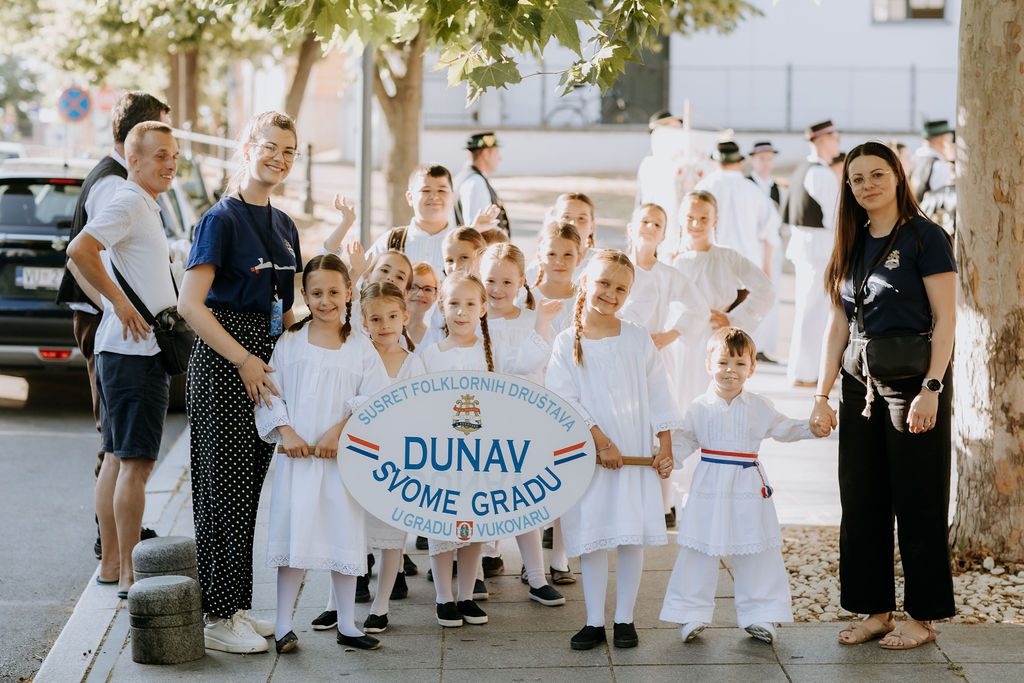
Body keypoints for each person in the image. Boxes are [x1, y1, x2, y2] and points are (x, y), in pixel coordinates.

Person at [810, 141, 956, 650]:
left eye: (877, 174)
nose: (867, 185)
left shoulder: (925, 237)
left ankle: (924, 616)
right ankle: (875, 611)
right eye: (857, 179)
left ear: (897, 176)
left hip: (914, 386)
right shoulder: (849, 241)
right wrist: (822, 394)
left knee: (918, 499)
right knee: (861, 501)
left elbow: (946, 319)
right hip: (859, 388)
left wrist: (932, 386)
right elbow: (837, 325)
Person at [177, 111, 302, 654]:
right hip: (225, 364)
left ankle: (236, 607)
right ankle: (217, 616)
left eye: (289, 151)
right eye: (270, 146)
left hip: (263, 367)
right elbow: (190, 305)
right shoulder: (220, 219)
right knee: (221, 491)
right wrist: (244, 359)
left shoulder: (285, 225)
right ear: (248, 148)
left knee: (247, 492)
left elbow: (284, 311)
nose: (279, 158)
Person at [545, 250, 680, 652]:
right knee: (592, 535)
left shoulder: (637, 338)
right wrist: (600, 441)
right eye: (604, 283)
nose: (611, 293)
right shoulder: (566, 342)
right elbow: (563, 399)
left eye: (621, 288)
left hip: (633, 452)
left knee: (628, 534)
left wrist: (665, 444)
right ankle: (593, 621)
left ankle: (624, 619)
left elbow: (659, 390)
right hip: (590, 456)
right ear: (586, 281)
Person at [66, 121, 179, 599]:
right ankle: (130, 574)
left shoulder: (144, 204)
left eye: (174, 156)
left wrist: (118, 303)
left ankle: (112, 566)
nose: (170, 164)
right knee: (136, 464)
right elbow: (79, 250)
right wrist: (119, 302)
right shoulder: (130, 200)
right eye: (160, 155)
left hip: (123, 351)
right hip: (135, 354)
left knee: (116, 458)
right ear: (133, 160)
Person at [660, 327, 828, 645]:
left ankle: (760, 614)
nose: (730, 370)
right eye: (723, 362)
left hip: (748, 484)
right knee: (699, 546)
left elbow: (784, 428)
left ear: (751, 368)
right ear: (709, 365)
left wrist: (810, 428)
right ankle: (690, 612)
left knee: (757, 547)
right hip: (709, 484)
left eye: (739, 364)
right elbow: (683, 441)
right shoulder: (699, 406)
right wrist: (665, 458)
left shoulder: (759, 406)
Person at [253, 255, 381, 653]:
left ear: (349, 293)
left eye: (333, 292)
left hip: (341, 463)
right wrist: (286, 431)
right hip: (298, 462)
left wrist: (340, 431)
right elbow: (269, 392)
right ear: (305, 296)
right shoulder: (290, 343)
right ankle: (283, 624)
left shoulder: (361, 348)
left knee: (344, 536)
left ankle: (347, 623)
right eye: (316, 293)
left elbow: (375, 399)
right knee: (295, 537)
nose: (326, 301)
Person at [479, 243, 566, 606]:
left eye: (506, 282)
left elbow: (541, 370)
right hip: (480, 422)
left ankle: (537, 576)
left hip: (524, 421)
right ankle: (476, 571)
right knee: (479, 495)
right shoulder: (472, 318)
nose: (497, 289)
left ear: (521, 282)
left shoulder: (535, 320)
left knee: (523, 498)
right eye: (490, 280)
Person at [619, 203, 706, 528]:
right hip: (616, 357)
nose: (650, 228)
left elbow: (698, 307)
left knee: (658, 427)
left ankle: (663, 504)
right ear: (631, 227)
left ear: (664, 235)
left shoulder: (667, 275)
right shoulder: (617, 266)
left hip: (653, 358)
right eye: (644, 221)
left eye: (657, 224)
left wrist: (669, 335)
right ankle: (623, 500)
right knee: (621, 426)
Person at [350, 282, 428, 634]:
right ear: (364, 322)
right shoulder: (357, 358)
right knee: (354, 531)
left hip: (396, 460)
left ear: (405, 317)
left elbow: (420, 412)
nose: (385, 325)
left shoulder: (413, 364)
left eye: (392, 317)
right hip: (360, 457)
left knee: (391, 533)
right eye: (376, 318)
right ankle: (335, 604)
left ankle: (380, 607)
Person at [669, 191, 775, 419]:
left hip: (711, 339)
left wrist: (734, 320)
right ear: (680, 218)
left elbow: (765, 289)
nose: (696, 224)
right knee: (675, 402)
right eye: (690, 217)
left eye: (704, 218)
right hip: (676, 341)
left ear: (714, 221)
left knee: (707, 403)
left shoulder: (726, 257)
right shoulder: (669, 258)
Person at [695, 140, 781, 360]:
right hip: (746, 269)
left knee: (710, 326)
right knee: (740, 329)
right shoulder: (754, 190)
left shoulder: (703, 188)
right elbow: (770, 231)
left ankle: (712, 363)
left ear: (715, 162)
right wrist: (767, 266)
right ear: (740, 162)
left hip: (711, 266)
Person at [784, 119, 841, 388]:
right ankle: (806, 372)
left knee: (809, 309)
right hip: (817, 248)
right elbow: (834, 217)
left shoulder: (803, 169)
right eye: (834, 139)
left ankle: (804, 370)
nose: (837, 144)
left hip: (807, 246)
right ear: (822, 141)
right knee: (814, 312)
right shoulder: (821, 173)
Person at [745, 140, 785, 363]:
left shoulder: (776, 188)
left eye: (769, 159)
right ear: (752, 160)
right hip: (751, 244)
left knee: (770, 294)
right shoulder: (746, 184)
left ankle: (763, 346)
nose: (766, 163)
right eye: (761, 159)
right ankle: (749, 342)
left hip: (771, 246)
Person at [454, 131, 510, 236]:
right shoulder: (475, 182)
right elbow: (477, 231)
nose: (499, 158)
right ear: (485, 154)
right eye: (496, 152)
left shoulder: (465, 177)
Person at [910, 119, 955, 201]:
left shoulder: (914, 158)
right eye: (949, 138)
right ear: (942, 139)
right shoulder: (940, 165)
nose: (950, 142)